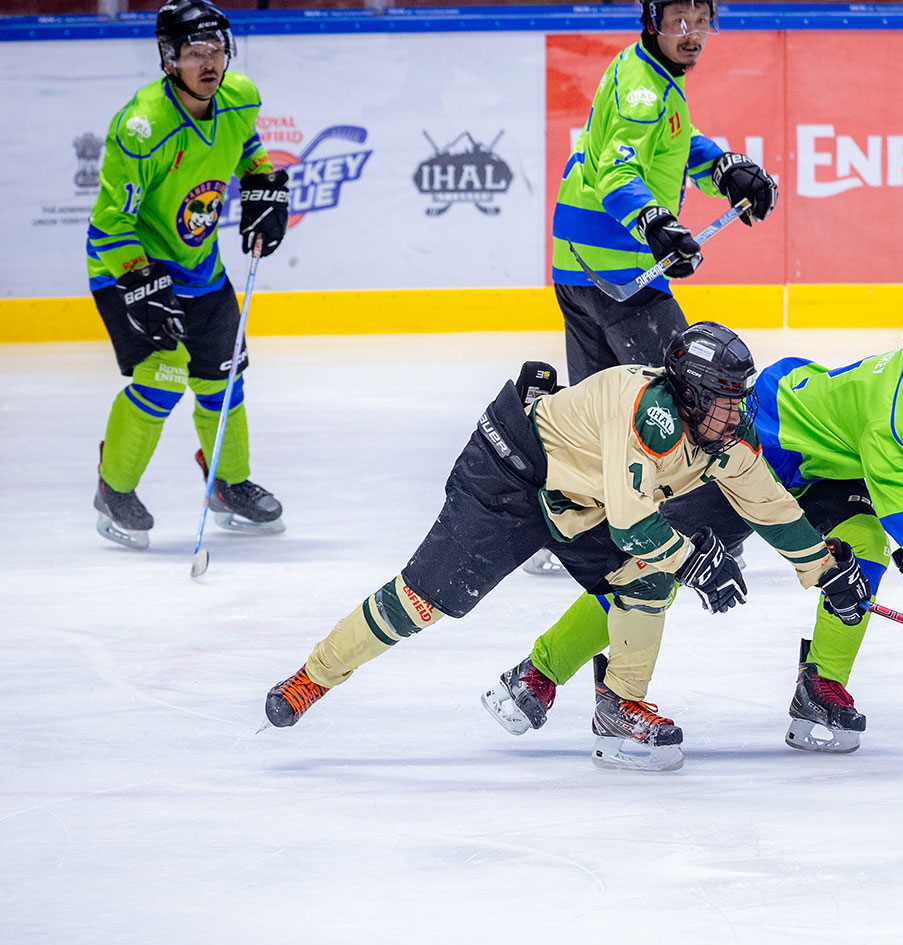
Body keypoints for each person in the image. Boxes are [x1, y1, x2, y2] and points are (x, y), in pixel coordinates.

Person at [265, 322, 869, 772]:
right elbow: (634, 526)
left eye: (739, 398)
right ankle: (313, 676)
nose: (734, 414)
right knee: (421, 601)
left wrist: (824, 569)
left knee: (645, 577)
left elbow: (770, 506)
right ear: (688, 394)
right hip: (513, 475)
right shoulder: (651, 416)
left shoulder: (724, 436)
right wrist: (696, 563)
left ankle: (621, 708)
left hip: (581, 502)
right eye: (722, 400)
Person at [486, 304, 903, 756]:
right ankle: (538, 671)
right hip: (760, 450)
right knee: (652, 566)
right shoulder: (888, 409)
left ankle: (821, 688)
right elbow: (898, 488)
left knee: (864, 549)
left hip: (828, 471)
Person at [527, 0, 778, 578]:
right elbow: (618, 171)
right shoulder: (644, 90)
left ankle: (574, 532)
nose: (691, 32)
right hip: (619, 272)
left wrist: (723, 168)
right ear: (651, 19)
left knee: (600, 406)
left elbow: (670, 142)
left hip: (578, 262)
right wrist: (655, 224)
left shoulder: (648, 71)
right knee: (696, 394)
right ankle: (702, 526)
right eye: (677, 20)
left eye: (701, 18)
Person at [87, 0, 290, 549]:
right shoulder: (142, 127)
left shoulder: (239, 97)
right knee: (163, 375)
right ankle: (113, 487)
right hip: (127, 265)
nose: (209, 62)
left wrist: (261, 182)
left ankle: (228, 484)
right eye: (194, 51)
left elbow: (246, 145)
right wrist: (138, 279)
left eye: (216, 49)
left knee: (223, 378)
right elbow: (109, 221)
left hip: (199, 267)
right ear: (168, 58)